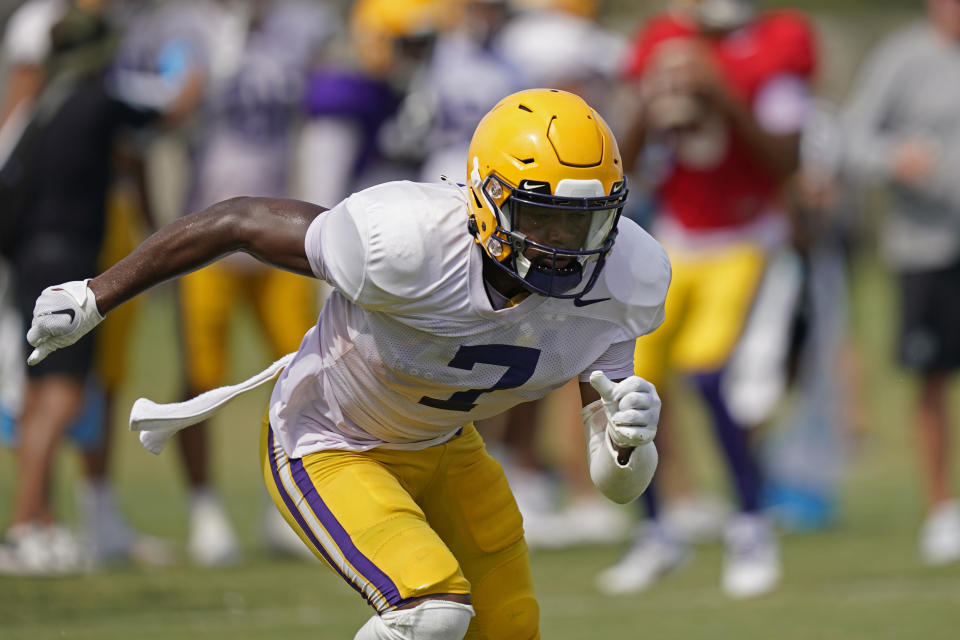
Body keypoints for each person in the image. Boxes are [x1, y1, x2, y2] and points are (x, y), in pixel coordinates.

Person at [25, 88, 668, 639]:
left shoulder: (622, 282)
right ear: (486, 198)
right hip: (330, 439)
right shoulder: (406, 247)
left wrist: (626, 441)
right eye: (542, 218)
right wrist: (96, 295)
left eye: (581, 225)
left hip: (445, 446)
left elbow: (616, 486)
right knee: (429, 611)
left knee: (510, 629)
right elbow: (240, 221)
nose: (562, 248)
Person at [597, 0, 817, 598]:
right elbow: (627, 160)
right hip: (675, 239)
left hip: (749, 239)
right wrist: (650, 97)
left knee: (714, 379)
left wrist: (721, 92)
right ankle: (656, 531)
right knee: (627, 386)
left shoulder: (780, 40)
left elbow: (787, 161)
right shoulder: (660, 39)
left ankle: (750, 526)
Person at [121, 0, 332, 565]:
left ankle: (283, 508)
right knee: (201, 374)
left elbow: (309, 122)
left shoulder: (295, 34)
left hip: (278, 235)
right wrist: (208, 66)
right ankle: (205, 510)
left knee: (303, 367)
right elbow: (168, 118)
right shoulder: (186, 32)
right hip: (208, 235)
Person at [0, 0, 199, 574]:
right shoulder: (97, 102)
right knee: (60, 396)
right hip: (64, 258)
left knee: (39, 395)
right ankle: (24, 524)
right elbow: (170, 113)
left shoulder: (43, 108)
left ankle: (33, 520)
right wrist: (193, 71)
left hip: (29, 258)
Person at [842, 0, 960, 566]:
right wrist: (896, 158)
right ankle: (942, 510)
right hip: (925, 248)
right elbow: (852, 137)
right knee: (930, 378)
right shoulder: (903, 58)